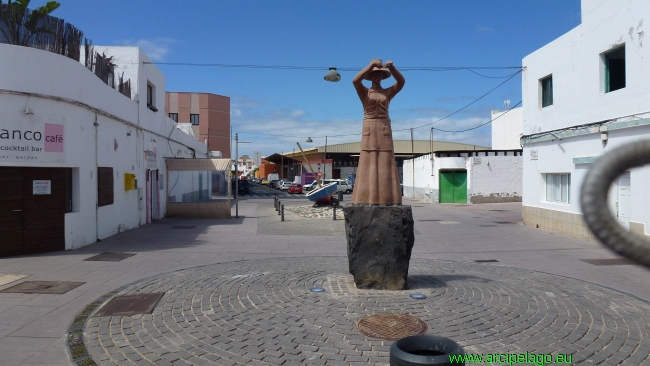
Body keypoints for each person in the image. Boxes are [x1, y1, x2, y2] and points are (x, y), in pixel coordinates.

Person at [351, 59, 405, 204]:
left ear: (382, 77)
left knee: (385, 159)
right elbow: (355, 81)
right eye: (374, 75)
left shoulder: (387, 92)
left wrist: (392, 68)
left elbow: (401, 82)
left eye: (380, 75)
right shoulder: (365, 92)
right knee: (368, 159)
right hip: (369, 126)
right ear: (370, 76)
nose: (377, 77)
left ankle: (388, 197)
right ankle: (365, 197)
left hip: (383, 127)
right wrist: (370, 66)